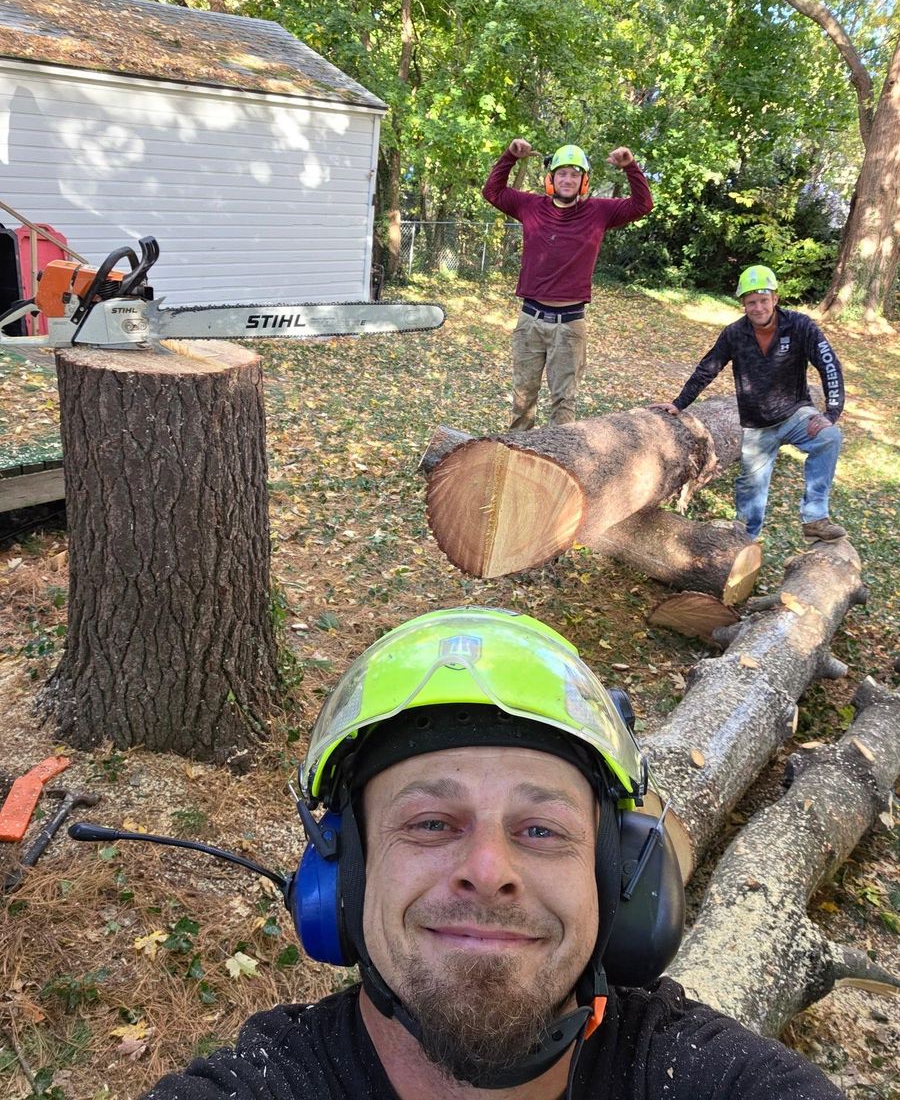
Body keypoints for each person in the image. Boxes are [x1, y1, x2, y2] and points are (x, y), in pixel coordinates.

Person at [144, 608, 844, 1100]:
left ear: (618, 880)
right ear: (342, 875)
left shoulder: (710, 1078)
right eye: (431, 823)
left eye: (540, 830)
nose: (487, 871)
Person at [651, 264, 846, 542]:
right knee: (751, 488)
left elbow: (829, 364)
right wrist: (679, 403)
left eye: (763, 300)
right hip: (757, 424)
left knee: (829, 438)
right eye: (751, 302)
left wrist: (831, 412)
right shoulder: (734, 333)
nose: (758, 307)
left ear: (775, 298)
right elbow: (707, 369)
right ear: (743, 303)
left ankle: (815, 518)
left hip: (796, 415)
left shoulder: (799, 326)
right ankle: (743, 541)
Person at [482, 139, 652, 430]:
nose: (567, 179)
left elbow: (642, 205)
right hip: (530, 320)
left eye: (575, 174)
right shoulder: (530, 206)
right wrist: (510, 156)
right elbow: (492, 192)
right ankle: (518, 448)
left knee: (564, 401)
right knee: (523, 397)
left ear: (583, 181)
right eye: (562, 173)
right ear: (551, 178)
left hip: (570, 324)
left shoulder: (599, 212)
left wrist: (630, 166)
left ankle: (559, 454)